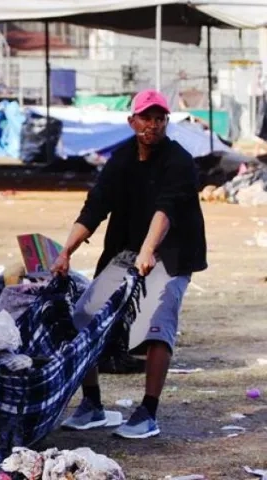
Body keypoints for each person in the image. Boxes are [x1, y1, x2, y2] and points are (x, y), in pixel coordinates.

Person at [52, 89, 207, 439]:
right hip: (127, 250)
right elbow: (95, 207)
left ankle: (147, 412)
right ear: (132, 121)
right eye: (146, 118)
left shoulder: (179, 160)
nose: (153, 125)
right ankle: (92, 404)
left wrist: (149, 249)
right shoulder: (121, 159)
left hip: (172, 251)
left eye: (160, 118)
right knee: (82, 317)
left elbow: (165, 209)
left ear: (166, 122)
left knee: (157, 320)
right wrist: (66, 252)